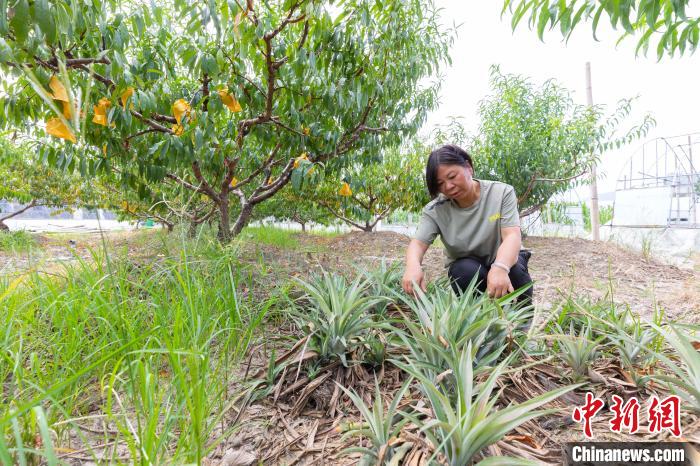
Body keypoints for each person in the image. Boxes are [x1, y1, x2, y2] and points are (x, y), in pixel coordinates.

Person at [402, 144, 533, 303]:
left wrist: (500, 267)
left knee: (514, 270)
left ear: (468, 167)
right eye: (440, 183)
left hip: (505, 258)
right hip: (470, 265)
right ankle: (478, 318)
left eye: (452, 176)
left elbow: (512, 235)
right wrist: (412, 266)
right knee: (464, 271)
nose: (448, 187)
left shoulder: (501, 193)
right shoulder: (435, 210)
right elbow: (417, 244)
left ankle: (522, 318)